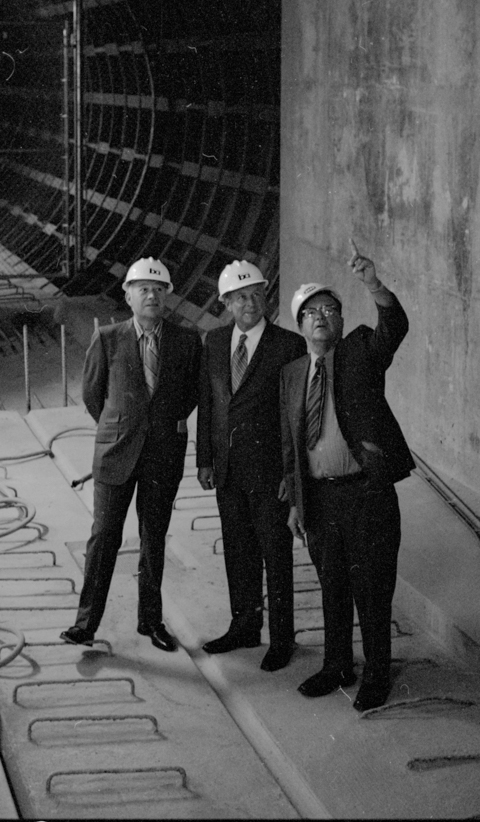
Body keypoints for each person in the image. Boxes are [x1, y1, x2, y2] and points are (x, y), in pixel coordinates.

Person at [279, 240, 413, 710]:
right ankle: (337, 664)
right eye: (311, 312)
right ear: (299, 326)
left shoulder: (358, 351)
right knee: (332, 587)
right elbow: (291, 443)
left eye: (330, 310)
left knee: (372, 590)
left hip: (365, 495)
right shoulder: (293, 373)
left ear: (339, 320)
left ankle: (377, 675)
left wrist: (373, 285)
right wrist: (296, 500)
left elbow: (392, 328)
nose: (321, 317)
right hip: (319, 499)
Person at [61, 257, 202, 651]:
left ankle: (150, 621)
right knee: (104, 537)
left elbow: (190, 393)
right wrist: (122, 426)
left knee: (152, 539)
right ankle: (85, 625)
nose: (151, 295)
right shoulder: (108, 338)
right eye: (143, 289)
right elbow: (93, 395)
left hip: (162, 456)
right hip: (115, 454)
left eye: (158, 289)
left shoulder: (186, 341)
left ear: (167, 296)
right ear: (128, 296)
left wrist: (159, 423)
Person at [196, 261, 305, 671]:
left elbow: (294, 415)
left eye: (257, 294)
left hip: (269, 472)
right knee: (238, 551)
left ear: (266, 297)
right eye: (240, 297)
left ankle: (282, 639)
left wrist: (290, 476)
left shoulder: (287, 345)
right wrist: (205, 459)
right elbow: (210, 404)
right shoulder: (215, 341)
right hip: (228, 470)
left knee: (275, 555)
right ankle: (244, 626)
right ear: (225, 302)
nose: (250, 303)